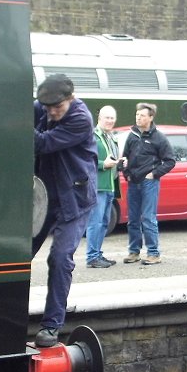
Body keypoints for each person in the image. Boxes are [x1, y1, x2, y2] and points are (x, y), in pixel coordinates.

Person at [33, 74, 97, 348]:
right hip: (44, 195)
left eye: (56, 107)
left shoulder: (81, 118)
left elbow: (43, 143)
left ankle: (51, 325)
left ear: (70, 99)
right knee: (18, 252)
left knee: (59, 258)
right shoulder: (43, 108)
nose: (50, 112)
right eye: (46, 107)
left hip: (75, 198)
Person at [119, 102, 176, 265]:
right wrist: (126, 174)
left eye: (142, 115)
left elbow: (170, 161)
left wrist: (154, 174)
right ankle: (134, 252)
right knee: (133, 219)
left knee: (148, 218)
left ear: (151, 118)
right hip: (133, 182)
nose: (138, 118)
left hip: (149, 183)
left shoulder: (159, 138)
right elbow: (125, 158)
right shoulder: (132, 136)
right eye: (137, 115)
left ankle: (153, 253)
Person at [85, 105, 120, 269]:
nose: (110, 121)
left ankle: (97, 254)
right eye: (107, 118)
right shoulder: (92, 136)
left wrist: (119, 163)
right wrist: (102, 164)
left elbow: (111, 158)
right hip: (98, 187)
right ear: (100, 118)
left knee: (105, 223)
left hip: (110, 186)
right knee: (95, 222)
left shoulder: (110, 136)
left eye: (112, 118)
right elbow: (84, 160)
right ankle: (92, 257)